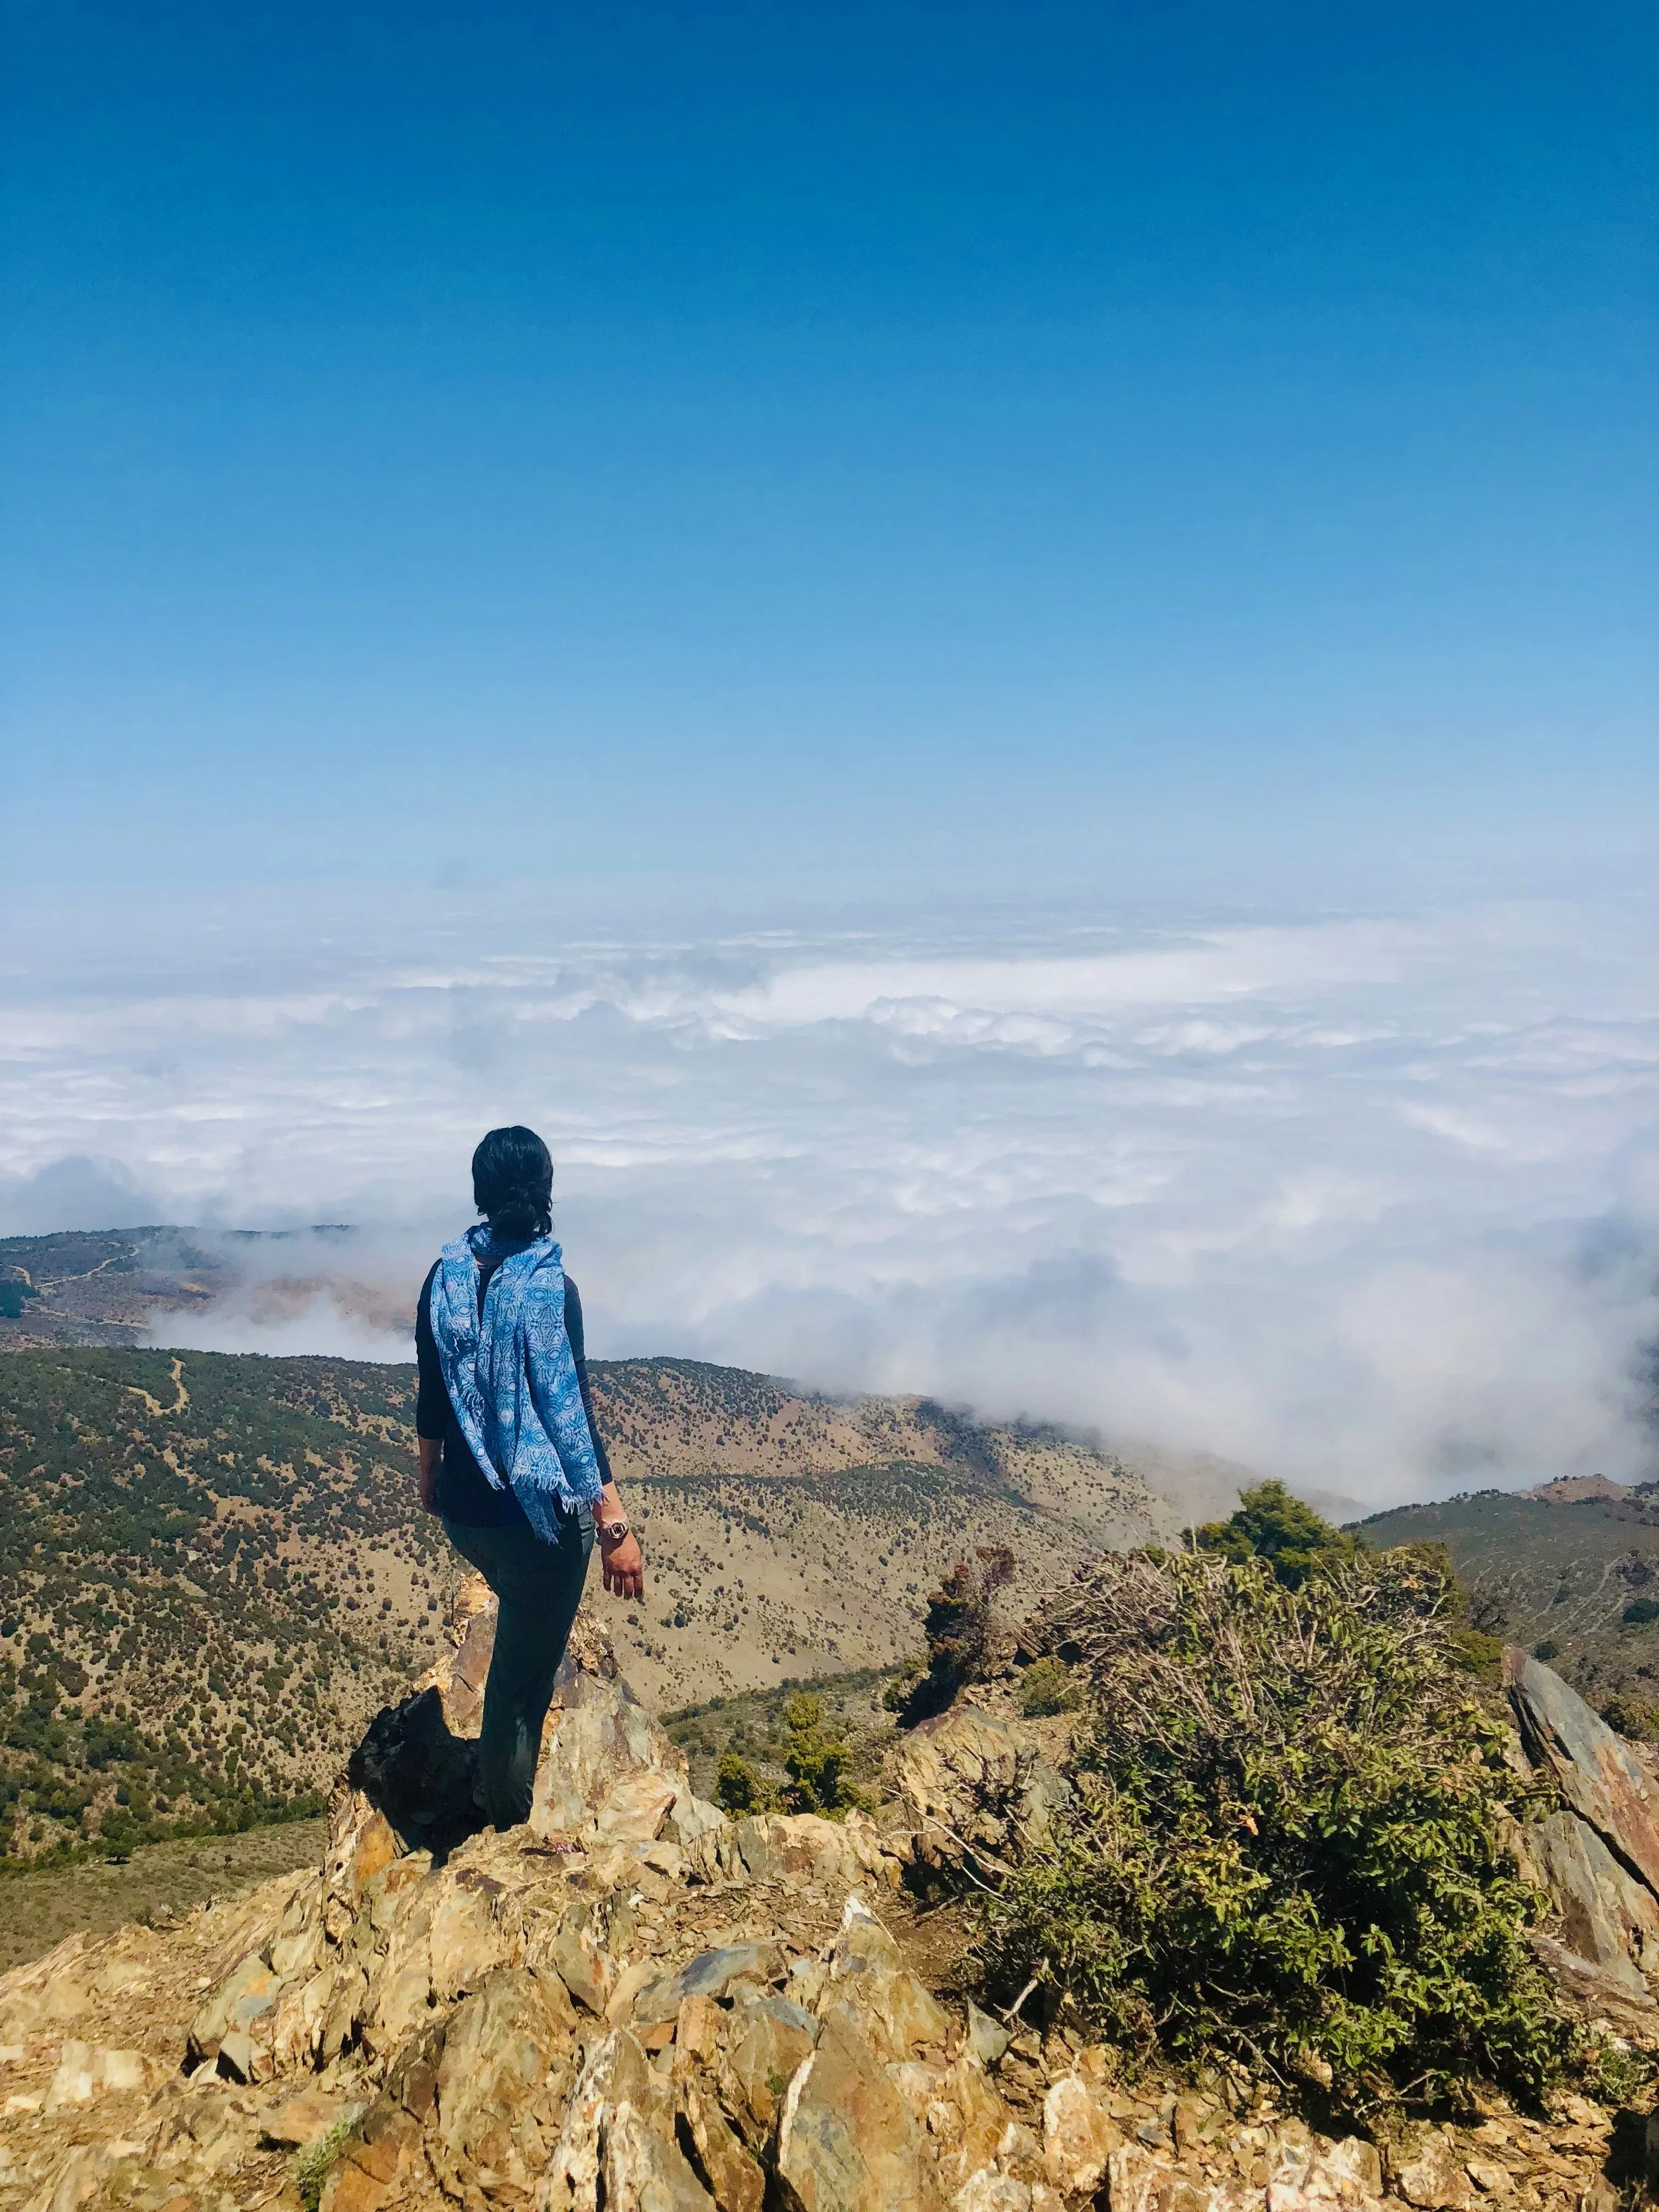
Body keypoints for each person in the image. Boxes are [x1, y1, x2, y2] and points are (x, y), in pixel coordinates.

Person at [414, 1125, 646, 1829]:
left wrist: (430, 1477)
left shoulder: (445, 1277)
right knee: (517, 1691)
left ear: (481, 1193)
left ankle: (499, 1786)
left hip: (463, 1512)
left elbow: (432, 1392)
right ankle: (507, 1825)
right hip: (534, 1525)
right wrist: (614, 1527)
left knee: (517, 1638)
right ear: (545, 1192)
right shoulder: (552, 1291)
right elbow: (568, 1416)